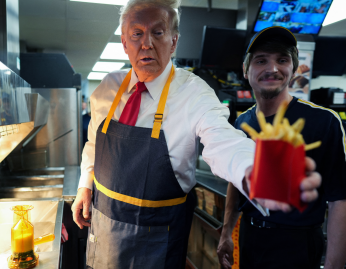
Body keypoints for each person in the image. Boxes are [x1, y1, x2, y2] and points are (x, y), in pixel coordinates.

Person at [72, 2, 321, 268]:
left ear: (174, 41)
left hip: (157, 244)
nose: (146, 43)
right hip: (103, 233)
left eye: (158, 32)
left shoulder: (194, 94)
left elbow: (224, 142)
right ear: (124, 42)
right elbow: (94, 143)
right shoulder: (108, 87)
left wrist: (258, 170)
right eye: (136, 33)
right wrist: (85, 184)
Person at [217, 26, 346, 269]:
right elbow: (236, 180)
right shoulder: (242, 123)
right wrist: (226, 231)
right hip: (250, 239)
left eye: (282, 60)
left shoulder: (325, 122)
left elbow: (341, 201)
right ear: (245, 70)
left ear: (293, 71)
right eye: (261, 60)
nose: (272, 69)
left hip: (297, 244)